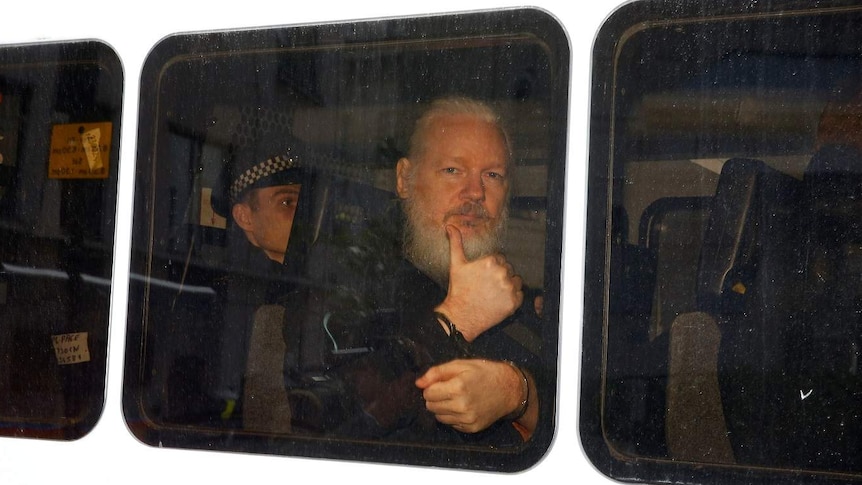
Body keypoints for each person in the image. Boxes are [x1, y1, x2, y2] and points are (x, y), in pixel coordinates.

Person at [335, 96, 542, 445]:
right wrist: (459, 317)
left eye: (492, 175)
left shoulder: (520, 301)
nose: (475, 192)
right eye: (453, 170)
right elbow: (338, 424)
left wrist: (518, 393)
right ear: (405, 178)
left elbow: (596, 413)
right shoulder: (351, 279)